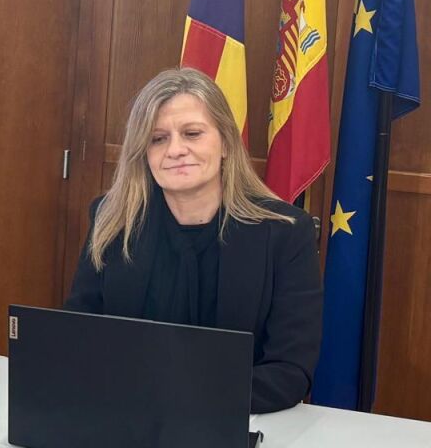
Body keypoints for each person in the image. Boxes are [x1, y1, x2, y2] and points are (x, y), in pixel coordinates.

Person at [64, 67, 322, 413]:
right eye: (158, 139)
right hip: (127, 419)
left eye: (192, 134)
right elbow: (80, 335)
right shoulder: (112, 219)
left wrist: (180, 399)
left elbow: (290, 370)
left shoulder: (286, 232)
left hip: (235, 420)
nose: (175, 150)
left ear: (226, 143)